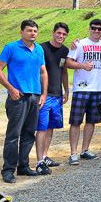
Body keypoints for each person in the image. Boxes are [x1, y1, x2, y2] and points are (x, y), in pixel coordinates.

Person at [0, 19, 47, 183]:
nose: (33, 33)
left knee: (29, 133)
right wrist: (11, 88)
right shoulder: (11, 48)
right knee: (13, 135)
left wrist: (44, 94)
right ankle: (8, 170)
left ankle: (23, 166)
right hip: (18, 97)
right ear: (22, 32)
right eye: (29, 30)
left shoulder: (39, 49)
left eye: (35, 31)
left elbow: (43, 72)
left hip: (35, 97)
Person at [65, 19, 101, 165]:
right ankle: (73, 153)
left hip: (97, 88)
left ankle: (85, 150)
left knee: (92, 121)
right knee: (76, 121)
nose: (97, 31)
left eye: (99, 29)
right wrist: (82, 65)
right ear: (89, 29)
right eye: (94, 28)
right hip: (81, 88)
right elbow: (68, 62)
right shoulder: (80, 44)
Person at [34, 22, 69, 175]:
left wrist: (66, 90)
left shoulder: (65, 50)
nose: (61, 36)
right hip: (44, 95)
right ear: (53, 33)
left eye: (64, 34)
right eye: (59, 33)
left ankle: (45, 156)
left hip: (57, 94)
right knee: (41, 128)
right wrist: (41, 93)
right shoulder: (42, 48)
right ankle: (39, 161)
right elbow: (38, 71)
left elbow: (64, 71)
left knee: (50, 127)